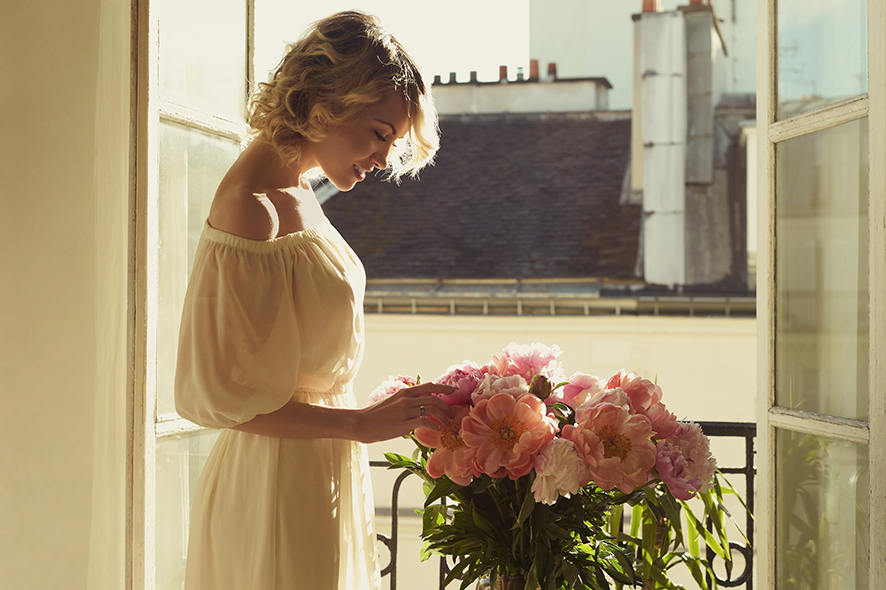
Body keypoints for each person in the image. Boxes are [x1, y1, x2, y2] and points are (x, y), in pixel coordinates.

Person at [173, 11, 455, 590]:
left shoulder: (299, 191)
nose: (384, 158)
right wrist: (361, 423)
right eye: (379, 133)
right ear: (328, 101)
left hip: (316, 469)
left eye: (393, 141)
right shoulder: (250, 208)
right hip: (272, 486)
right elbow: (227, 400)